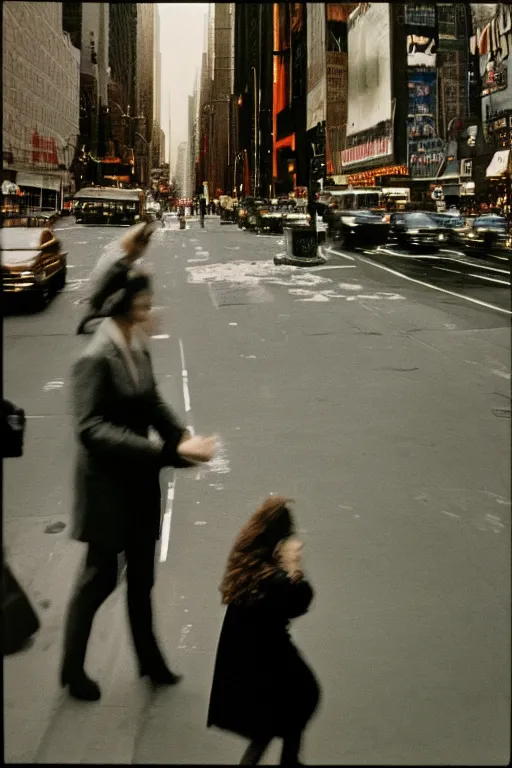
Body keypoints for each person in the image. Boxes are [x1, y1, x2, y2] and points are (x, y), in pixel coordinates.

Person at [61, 267, 217, 701]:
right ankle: (72, 669)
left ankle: (150, 662)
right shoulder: (95, 356)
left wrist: (182, 439)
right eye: (145, 305)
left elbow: (151, 402)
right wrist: (164, 453)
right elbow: (90, 429)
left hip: (139, 483)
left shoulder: (135, 345)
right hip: (108, 488)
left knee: (142, 578)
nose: (152, 311)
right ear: (123, 306)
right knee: (99, 579)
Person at [207, 496, 320, 765]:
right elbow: (300, 601)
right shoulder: (273, 580)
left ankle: (290, 759)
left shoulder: (247, 560)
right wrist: (294, 568)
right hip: (268, 658)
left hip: (247, 657)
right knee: (301, 696)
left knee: (274, 722)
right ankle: (290, 760)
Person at [76, 221, 157, 334]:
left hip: (104, 322)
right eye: (145, 244)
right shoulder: (123, 271)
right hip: (99, 322)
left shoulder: (126, 266)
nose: (146, 249)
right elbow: (106, 303)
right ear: (138, 246)